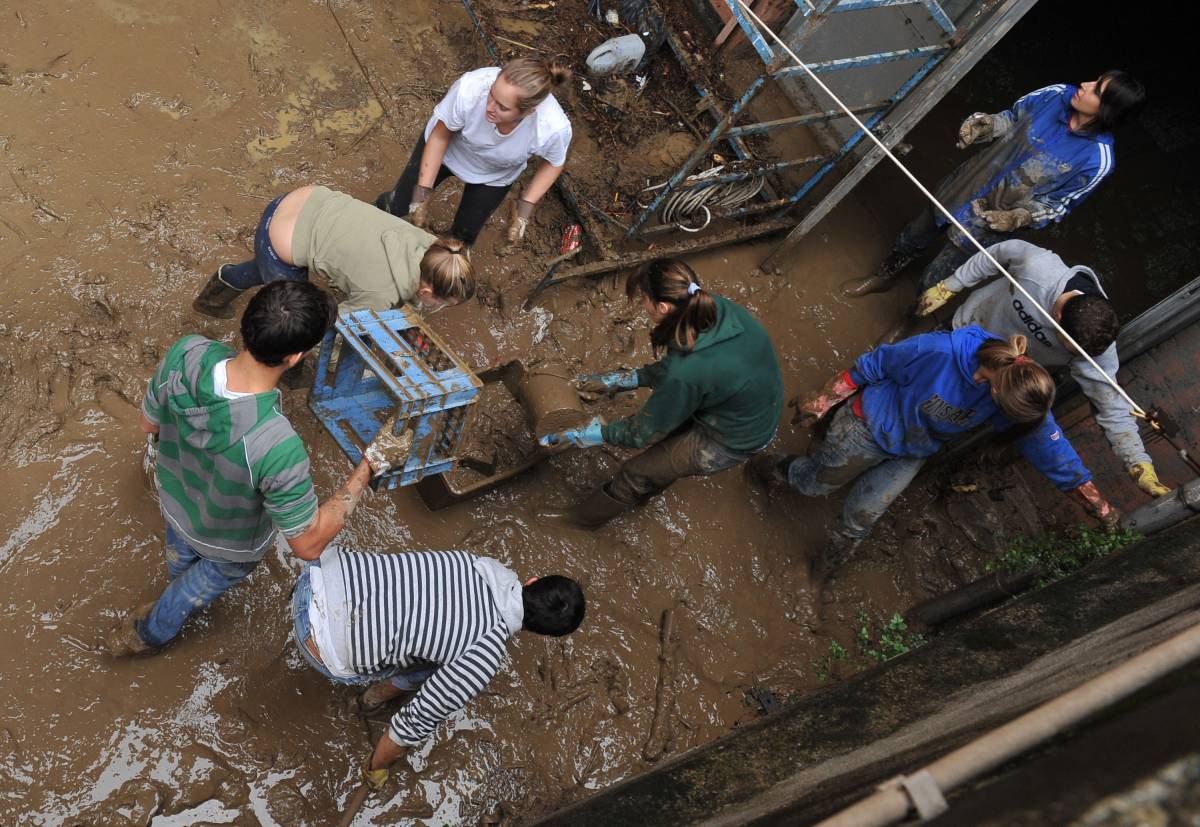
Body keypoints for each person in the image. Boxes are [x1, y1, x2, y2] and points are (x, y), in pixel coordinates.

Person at [105, 281, 405, 655]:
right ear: (296, 357)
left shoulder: (187, 352)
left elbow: (149, 426)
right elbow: (308, 543)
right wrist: (369, 466)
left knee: (181, 562)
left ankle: (174, 585)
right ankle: (147, 634)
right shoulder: (277, 445)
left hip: (177, 503)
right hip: (228, 544)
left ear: (248, 323)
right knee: (187, 593)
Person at [751, 327, 1120, 574]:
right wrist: (823, 399)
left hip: (913, 450)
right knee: (814, 485)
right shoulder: (940, 350)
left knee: (862, 518)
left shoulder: (1015, 393)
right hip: (867, 426)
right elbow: (873, 365)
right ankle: (769, 468)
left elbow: (1045, 442)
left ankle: (821, 570)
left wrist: (1090, 497)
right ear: (996, 390)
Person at [290, 545, 585, 792]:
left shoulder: (480, 564)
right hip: (317, 640)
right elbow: (407, 727)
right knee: (433, 672)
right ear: (545, 635)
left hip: (317, 571)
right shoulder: (482, 657)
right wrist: (375, 769)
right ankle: (368, 701)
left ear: (532, 581)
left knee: (431, 641)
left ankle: (372, 699)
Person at [842, 71, 1147, 297]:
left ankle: (907, 319)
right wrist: (985, 124)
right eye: (1095, 80)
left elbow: (1056, 206)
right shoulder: (1055, 95)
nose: (1085, 84)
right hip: (966, 184)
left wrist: (1019, 217)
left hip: (989, 221)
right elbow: (1011, 119)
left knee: (938, 277)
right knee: (913, 235)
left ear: (1109, 111)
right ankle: (883, 277)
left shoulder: (1097, 159)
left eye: (1097, 90)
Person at [914, 239, 1172, 498]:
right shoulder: (1039, 269)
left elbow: (1111, 405)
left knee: (946, 410)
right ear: (1058, 320)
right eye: (1068, 348)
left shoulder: (1095, 347)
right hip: (965, 329)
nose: (1072, 355)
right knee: (917, 369)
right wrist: (950, 285)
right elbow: (998, 252)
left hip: (1003, 376)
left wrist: (1138, 462)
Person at [539, 258, 784, 526]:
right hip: (748, 402)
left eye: (643, 298)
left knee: (636, 472)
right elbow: (681, 368)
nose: (642, 305)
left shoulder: (687, 372)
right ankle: (649, 486)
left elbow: (639, 434)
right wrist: (620, 380)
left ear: (663, 307)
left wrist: (583, 435)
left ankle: (579, 521)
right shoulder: (710, 306)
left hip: (733, 438)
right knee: (663, 458)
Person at [192, 185, 475, 320]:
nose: (439, 307)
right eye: (442, 302)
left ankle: (213, 296)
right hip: (278, 243)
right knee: (298, 319)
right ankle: (292, 375)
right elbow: (338, 321)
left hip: (301, 200)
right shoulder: (382, 295)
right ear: (426, 292)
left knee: (261, 269)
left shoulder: (429, 243)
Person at [373, 58, 573, 246]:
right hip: (448, 150)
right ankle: (367, 222)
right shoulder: (472, 87)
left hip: (494, 172)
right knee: (399, 203)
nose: (489, 107)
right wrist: (421, 196)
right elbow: (439, 137)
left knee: (463, 236)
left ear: (528, 112)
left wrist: (524, 211)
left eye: (502, 107)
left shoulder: (552, 128)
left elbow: (554, 163)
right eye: (491, 95)